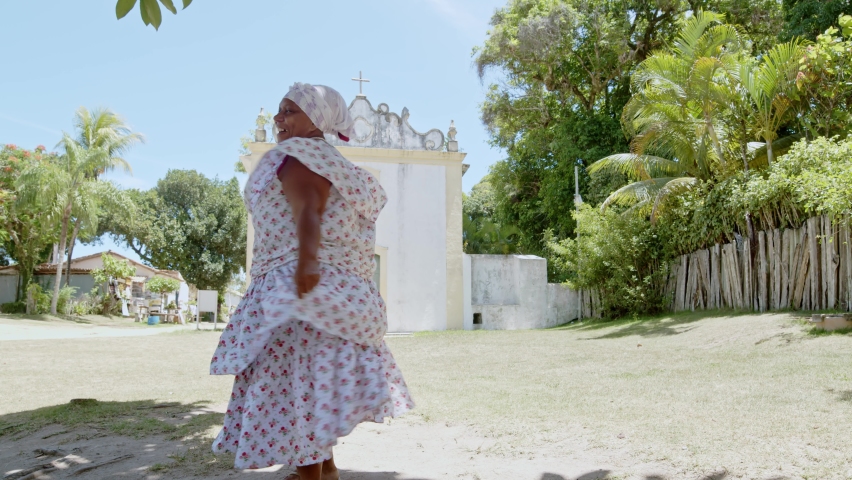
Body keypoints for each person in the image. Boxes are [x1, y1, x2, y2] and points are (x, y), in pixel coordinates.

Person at [210, 83, 414, 480]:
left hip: (295, 294)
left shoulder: (299, 156)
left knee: (293, 389)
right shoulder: (330, 160)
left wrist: (305, 269)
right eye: (278, 110)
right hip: (324, 291)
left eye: (290, 111)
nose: (278, 118)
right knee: (310, 388)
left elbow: (309, 208)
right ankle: (325, 469)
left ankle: (310, 475)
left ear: (317, 120)